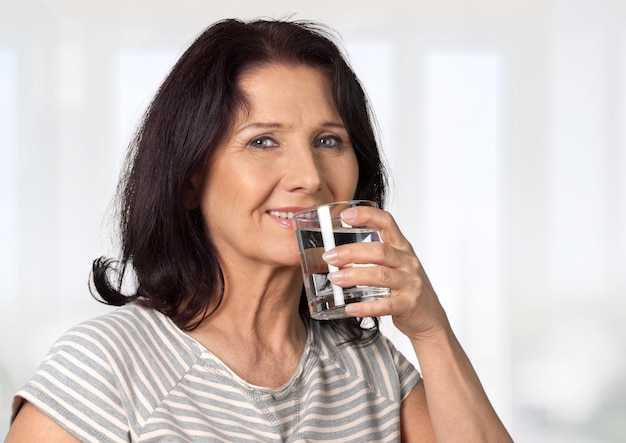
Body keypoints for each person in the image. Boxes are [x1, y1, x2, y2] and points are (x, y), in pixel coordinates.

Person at [6, 18, 512, 442]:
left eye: (330, 140)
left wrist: (431, 330)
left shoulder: (373, 369)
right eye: (264, 141)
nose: (311, 177)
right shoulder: (107, 366)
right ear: (188, 179)